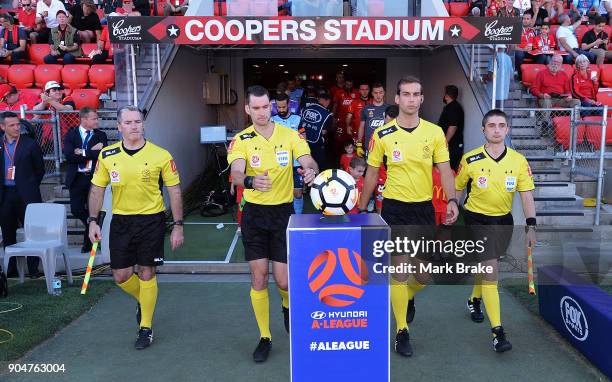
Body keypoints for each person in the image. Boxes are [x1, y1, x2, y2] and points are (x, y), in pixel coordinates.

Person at [358, 76, 458, 357]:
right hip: (394, 209)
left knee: (424, 275)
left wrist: (452, 199)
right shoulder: (383, 135)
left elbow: (445, 169)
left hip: (423, 209)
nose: (411, 99)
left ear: (422, 99)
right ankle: (402, 331)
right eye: (406, 94)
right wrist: (361, 209)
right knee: (399, 271)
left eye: (416, 94)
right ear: (397, 99)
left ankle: (406, 298)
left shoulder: (435, 133)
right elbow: (372, 173)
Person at [227, 85, 318, 363]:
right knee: (258, 278)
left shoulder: (291, 135)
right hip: (254, 214)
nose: (262, 112)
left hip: (283, 215)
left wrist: (311, 169)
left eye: (265, 106)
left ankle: (288, 305)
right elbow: (236, 173)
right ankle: (265, 336)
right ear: (248, 109)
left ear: (273, 106)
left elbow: (307, 158)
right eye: (256, 108)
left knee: (283, 281)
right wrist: (251, 181)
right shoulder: (241, 139)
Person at [88, 105, 184, 350]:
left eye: (137, 122)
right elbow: (97, 189)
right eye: (128, 122)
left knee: (147, 273)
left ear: (143, 124)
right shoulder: (107, 155)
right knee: (120, 275)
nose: (134, 126)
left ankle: (146, 328)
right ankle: (145, 299)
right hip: (121, 221)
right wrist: (92, 221)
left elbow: (174, 190)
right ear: (119, 126)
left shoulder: (161, 155)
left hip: (151, 220)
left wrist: (178, 225)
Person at [455, 108, 536, 353]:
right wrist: (452, 211)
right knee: (491, 270)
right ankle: (498, 333)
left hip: (503, 221)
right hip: (476, 219)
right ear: (483, 130)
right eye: (492, 125)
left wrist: (531, 224)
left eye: (501, 125)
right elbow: (457, 189)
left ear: (507, 129)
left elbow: (526, 195)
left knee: (486, 267)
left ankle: (473, 299)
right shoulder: (469, 159)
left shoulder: (519, 160)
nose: (497, 129)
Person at [0, 111, 45, 278]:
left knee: (32, 232)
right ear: (2, 127)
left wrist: (29, 185)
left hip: (26, 194)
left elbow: (39, 170)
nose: (17, 127)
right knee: (8, 232)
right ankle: (11, 269)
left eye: (18, 124)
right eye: (12, 125)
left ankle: (34, 269)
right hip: (5, 195)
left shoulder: (30, 144)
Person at [63, 107, 107, 253]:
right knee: (76, 210)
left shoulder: (101, 135)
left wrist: (82, 151)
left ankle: (88, 242)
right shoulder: (71, 134)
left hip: (94, 178)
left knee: (93, 209)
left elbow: (102, 154)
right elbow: (69, 156)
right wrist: (91, 152)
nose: (97, 121)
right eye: (94, 118)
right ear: (84, 119)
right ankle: (91, 225)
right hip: (77, 178)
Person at [271, 93, 305, 214]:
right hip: (278, 164)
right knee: (279, 192)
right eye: (278, 107)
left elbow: (303, 139)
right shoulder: (272, 120)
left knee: (297, 193)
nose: (281, 110)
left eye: (283, 107)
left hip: (296, 163)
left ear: (289, 105)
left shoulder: (298, 119)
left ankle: (297, 218)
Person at [300, 92, 332, 171]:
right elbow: (324, 132)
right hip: (317, 145)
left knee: (304, 166)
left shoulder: (305, 108)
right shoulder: (327, 114)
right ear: (327, 101)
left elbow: (299, 125)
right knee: (319, 166)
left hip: (302, 142)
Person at [438, 85, 464, 171]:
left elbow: (453, 126)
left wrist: (445, 142)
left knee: (448, 170)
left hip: (452, 145)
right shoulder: (452, 107)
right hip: (452, 144)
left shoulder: (453, 108)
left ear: (447, 96)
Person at [358, 82, 388, 157]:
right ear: (372, 93)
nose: (378, 95)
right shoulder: (365, 109)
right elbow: (361, 127)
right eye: (376, 93)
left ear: (384, 93)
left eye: (380, 92)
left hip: (386, 146)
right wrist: (359, 144)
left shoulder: (389, 108)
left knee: (385, 169)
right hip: (370, 146)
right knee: (370, 168)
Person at [514, 11, 538, 77]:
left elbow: (536, 45)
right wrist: (523, 49)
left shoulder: (533, 31)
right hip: (521, 51)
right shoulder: (517, 30)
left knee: (542, 56)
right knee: (519, 54)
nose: (526, 20)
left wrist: (533, 47)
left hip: (531, 52)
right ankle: (520, 75)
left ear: (531, 20)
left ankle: (535, 74)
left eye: (528, 19)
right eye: (524, 19)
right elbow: (513, 47)